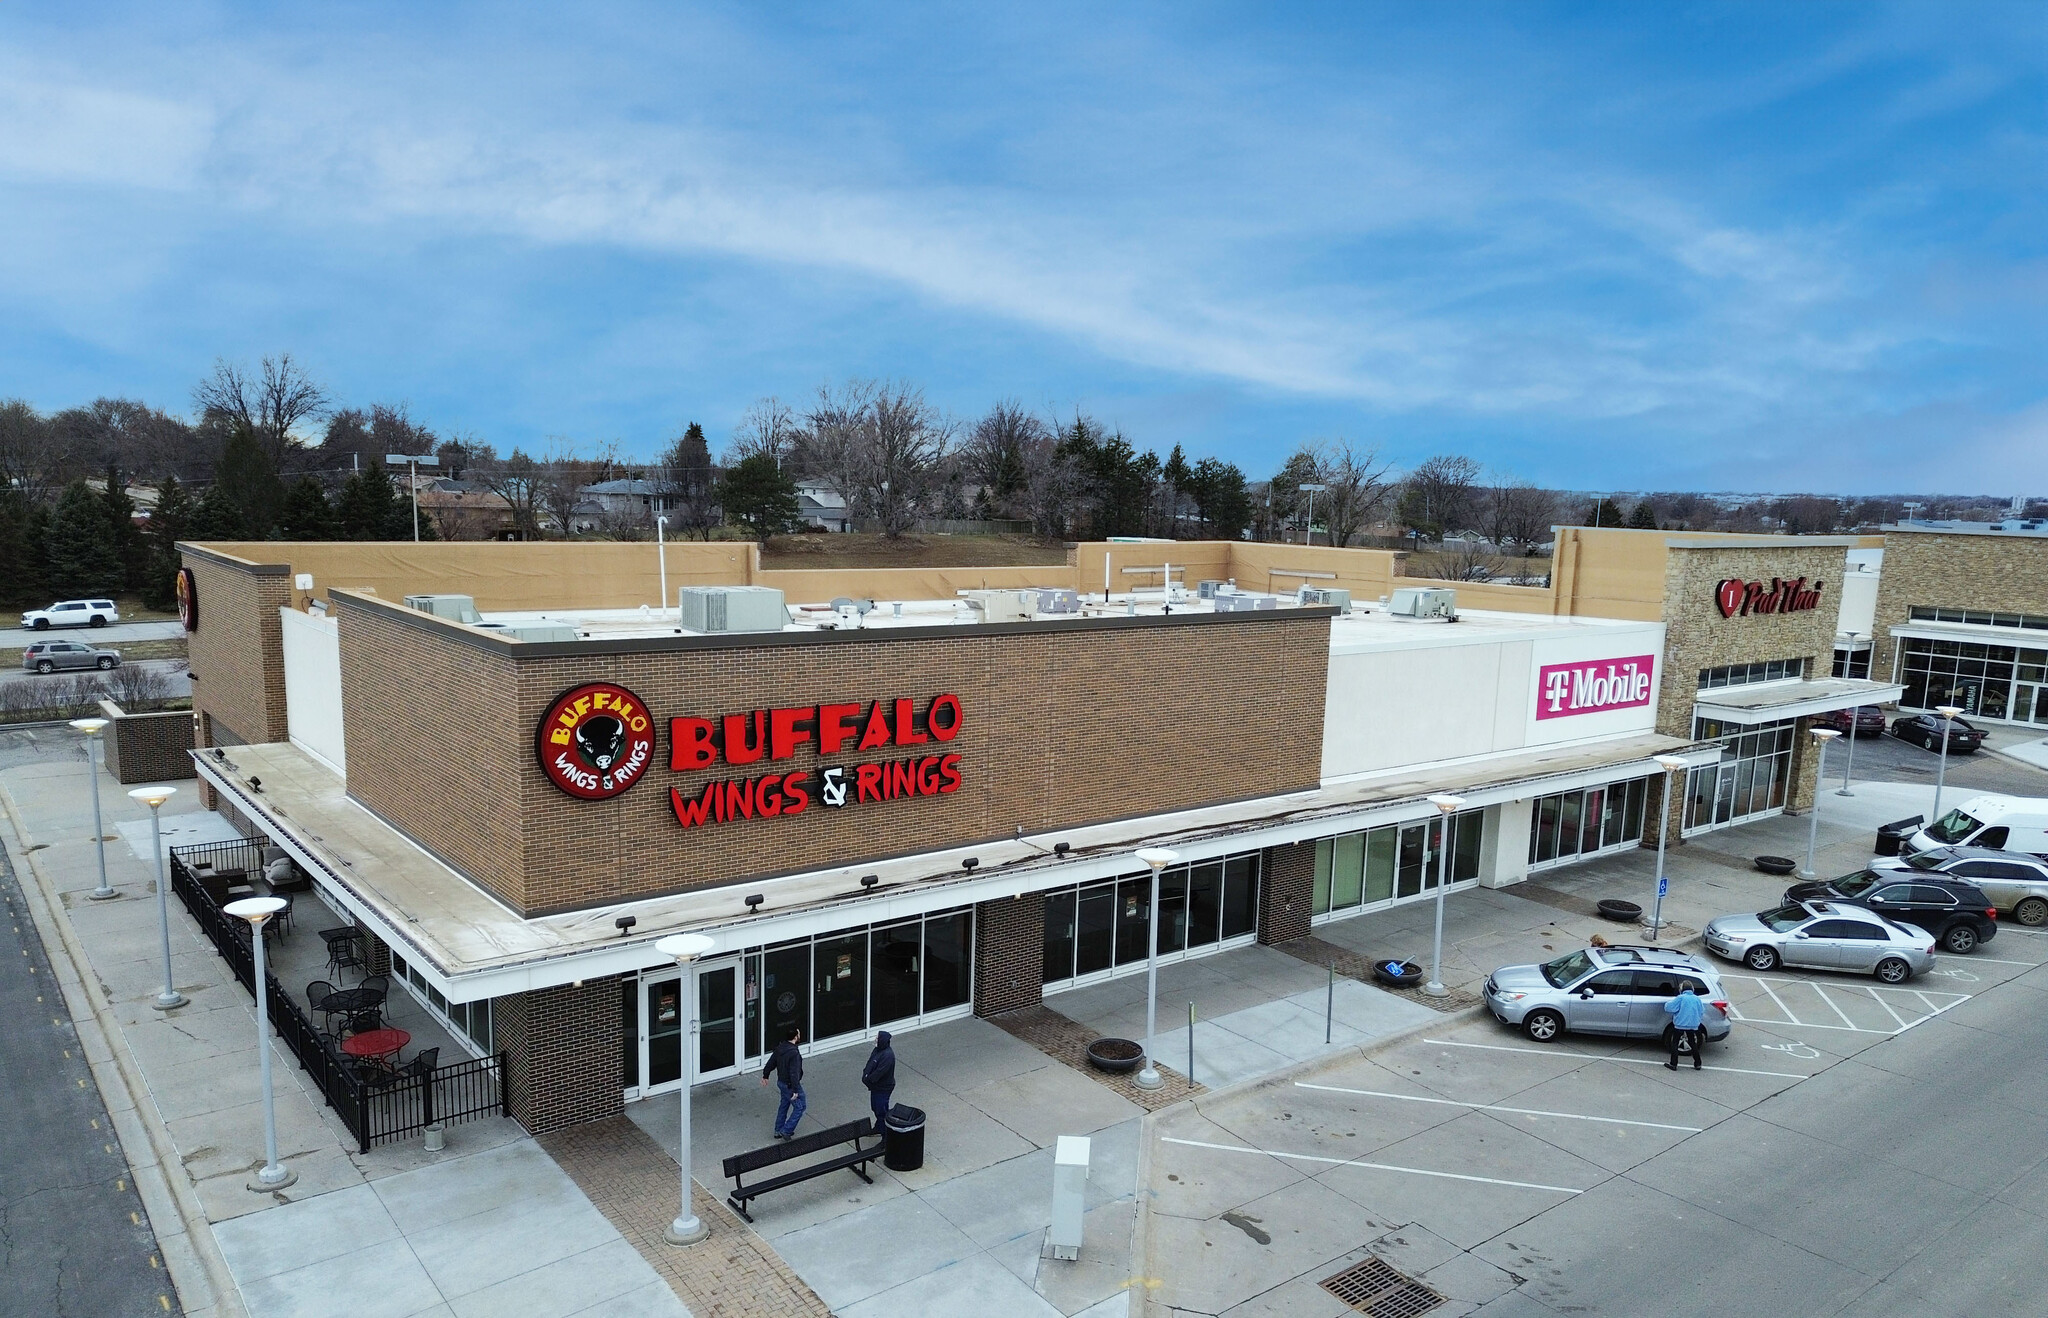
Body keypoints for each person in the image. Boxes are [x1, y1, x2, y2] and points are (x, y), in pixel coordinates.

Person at [760, 1025, 806, 1140]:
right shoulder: (794, 1053)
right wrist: (795, 1090)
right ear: (796, 1037)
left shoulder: (780, 1048)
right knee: (800, 1107)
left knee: (784, 1105)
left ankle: (778, 1129)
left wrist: (766, 1075)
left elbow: (771, 1062)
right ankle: (786, 1130)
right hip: (790, 1085)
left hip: (781, 1082)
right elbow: (794, 1073)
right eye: (799, 1034)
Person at [1663, 984, 1707, 1071]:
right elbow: (1702, 1011)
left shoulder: (1681, 998)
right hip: (1693, 1025)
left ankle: (1673, 1064)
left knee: (1675, 1043)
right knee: (1692, 1043)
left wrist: (1667, 1003)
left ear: (1682, 989)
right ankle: (1698, 1063)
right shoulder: (1697, 999)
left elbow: (1669, 1008)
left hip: (1680, 1024)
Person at [861, 1030, 896, 1130]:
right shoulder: (877, 1050)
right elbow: (870, 1063)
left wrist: (868, 1079)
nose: (876, 1039)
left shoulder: (887, 1056)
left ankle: (885, 1136)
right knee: (875, 1108)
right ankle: (878, 1127)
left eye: (877, 1038)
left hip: (883, 1088)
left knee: (881, 1111)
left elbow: (879, 1073)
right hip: (876, 1087)